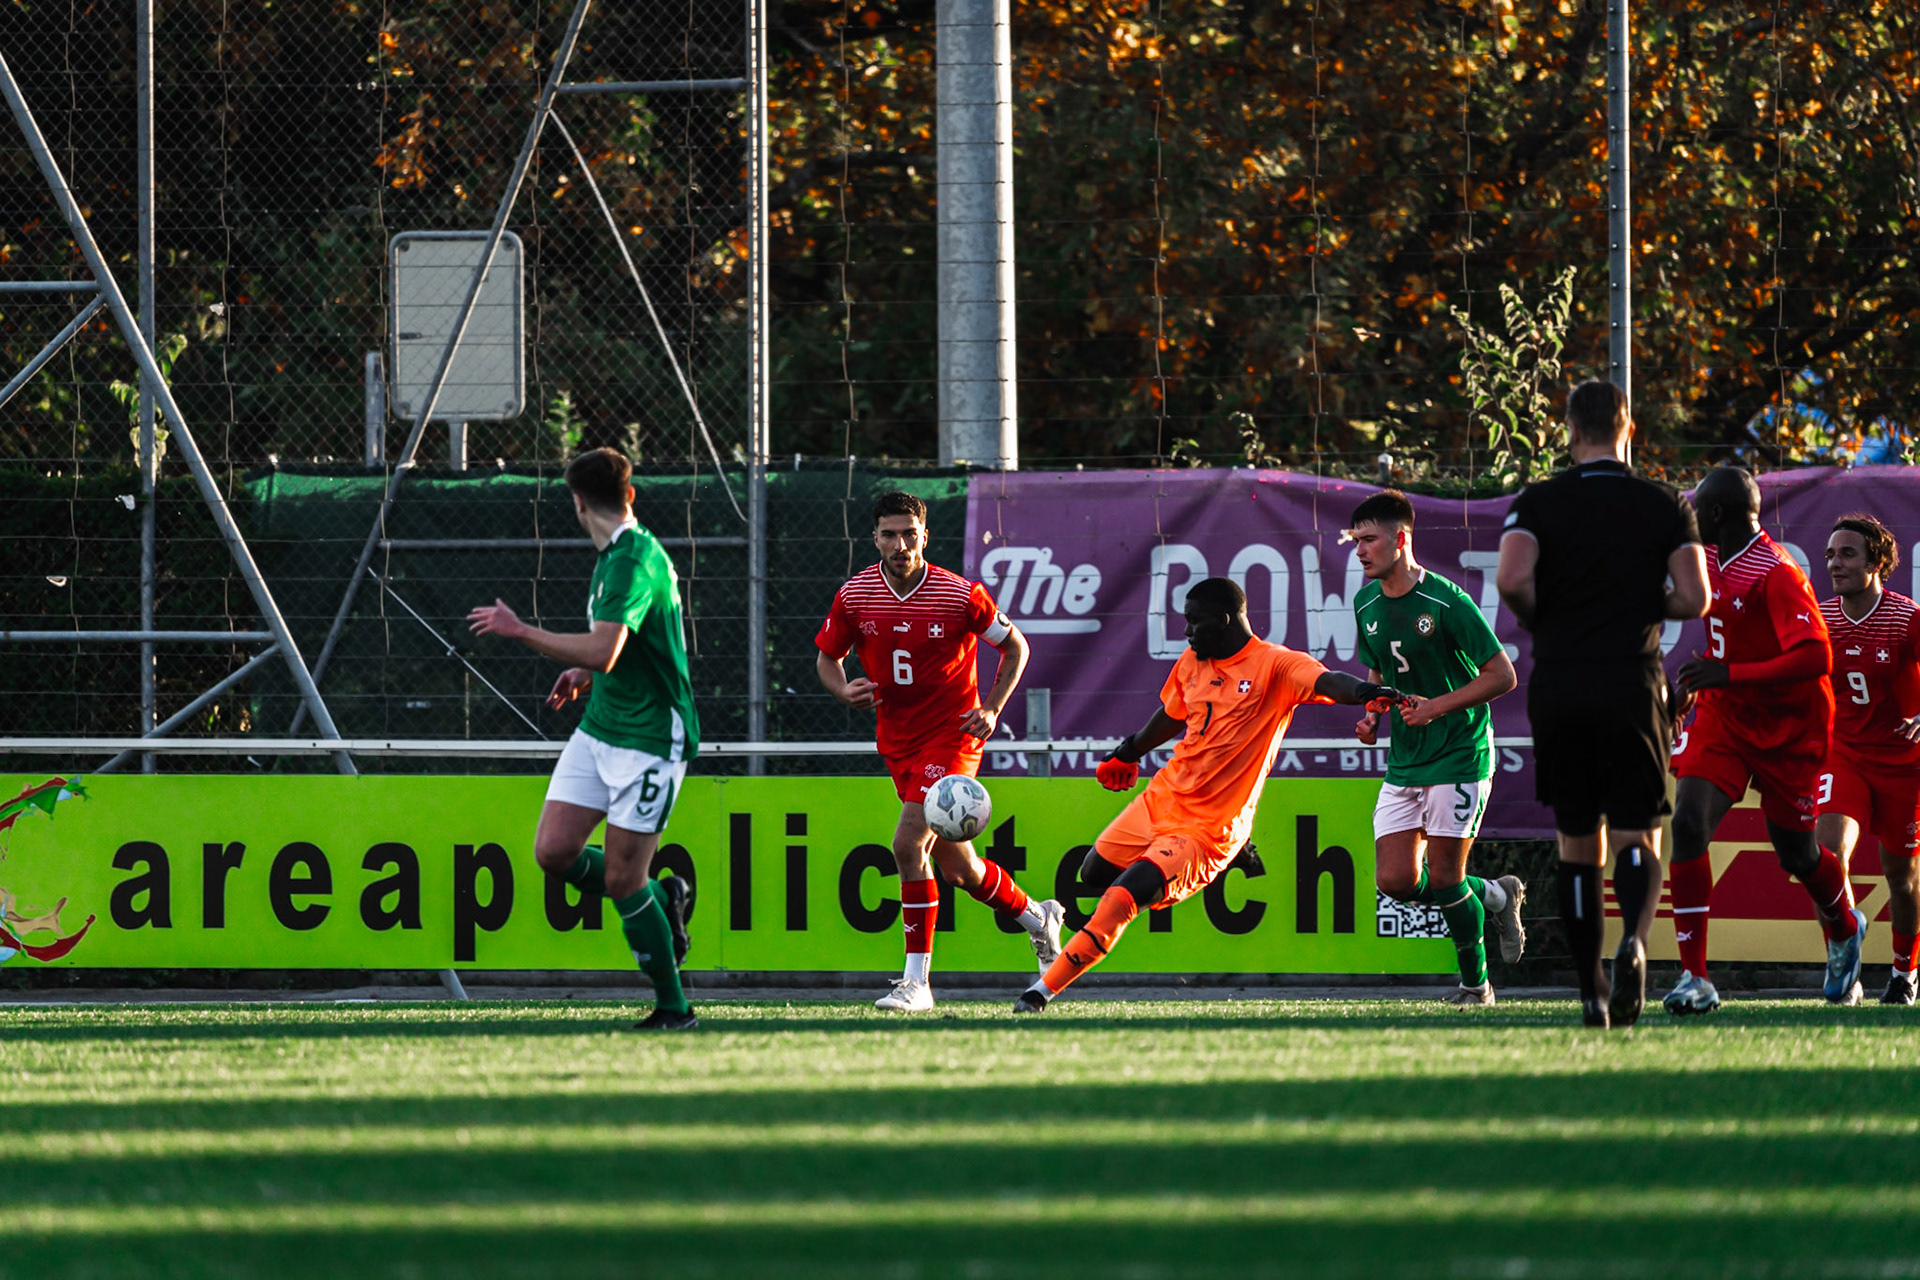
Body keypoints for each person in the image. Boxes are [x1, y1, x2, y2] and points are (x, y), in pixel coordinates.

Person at [1012, 577, 1405, 1012]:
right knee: (1093, 876)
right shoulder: (1192, 661)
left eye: (1194, 622)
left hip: (1207, 828)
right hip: (1164, 796)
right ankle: (1176, 873)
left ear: (1223, 621)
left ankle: (1040, 992)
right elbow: (1171, 715)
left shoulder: (1274, 665)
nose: (1186, 631)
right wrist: (1127, 752)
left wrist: (1368, 692)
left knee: (1122, 899)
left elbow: (1328, 681)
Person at [1496, 380, 1710, 1028]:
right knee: (1636, 831)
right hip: (1632, 678)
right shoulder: (1663, 503)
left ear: (1568, 429)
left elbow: (1511, 579)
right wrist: (1645, 607)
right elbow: (1696, 595)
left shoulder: (1540, 501)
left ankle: (1590, 986)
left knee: (1575, 838)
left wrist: (1546, 619)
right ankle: (1636, 945)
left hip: (1561, 677)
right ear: (1630, 429)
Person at [467, 446, 699, 1031]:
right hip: (600, 728)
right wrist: (587, 674)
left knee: (623, 879)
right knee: (554, 851)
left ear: (576, 502)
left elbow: (605, 647)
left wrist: (520, 631)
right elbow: (615, 651)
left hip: (650, 737)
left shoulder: (631, 561)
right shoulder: (616, 555)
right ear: (629, 495)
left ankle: (674, 1008)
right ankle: (661, 899)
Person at [815, 491, 1064, 1012]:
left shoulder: (959, 594)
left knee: (907, 845)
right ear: (874, 537)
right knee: (960, 871)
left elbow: (1017, 646)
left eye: (910, 533)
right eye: (890, 533)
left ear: (926, 535)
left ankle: (917, 983)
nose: (900, 543)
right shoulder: (856, 595)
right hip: (898, 741)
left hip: (952, 736)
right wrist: (841, 690)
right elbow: (827, 658)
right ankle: (1039, 919)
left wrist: (992, 709)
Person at [1664, 465, 1861, 1013]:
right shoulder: (1706, 560)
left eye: (1699, 508)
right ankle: (1694, 979)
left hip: (1789, 730)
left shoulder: (1777, 572)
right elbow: (1723, 638)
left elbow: (1816, 656)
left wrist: (1727, 674)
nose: (1693, 517)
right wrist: (1695, 681)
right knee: (1687, 822)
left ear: (1718, 514)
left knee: (1796, 853)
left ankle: (1844, 926)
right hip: (1726, 717)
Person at [1348, 490, 1525, 1005]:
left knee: (1447, 876)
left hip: (1459, 750)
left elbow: (1503, 676)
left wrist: (1437, 706)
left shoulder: (1449, 602)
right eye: (1355, 541)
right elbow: (1379, 672)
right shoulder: (1365, 602)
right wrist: (1371, 717)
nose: (1360, 551)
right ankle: (1495, 894)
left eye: (1369, 539)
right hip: (1406, 758)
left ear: (1401, 539)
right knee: (1397, 880)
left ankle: (1476, 986)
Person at [1817, 513, 1920, 1005]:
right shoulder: (1819, 618)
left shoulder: (1907, 617)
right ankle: (1845, 966)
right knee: (1827, 857)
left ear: (1877, 562)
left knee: (1901, 879)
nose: (1834, 563)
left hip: (1905, 762)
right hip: (1845, 755)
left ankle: (1904, 974)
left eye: (1847, 554)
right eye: (1830, 555)